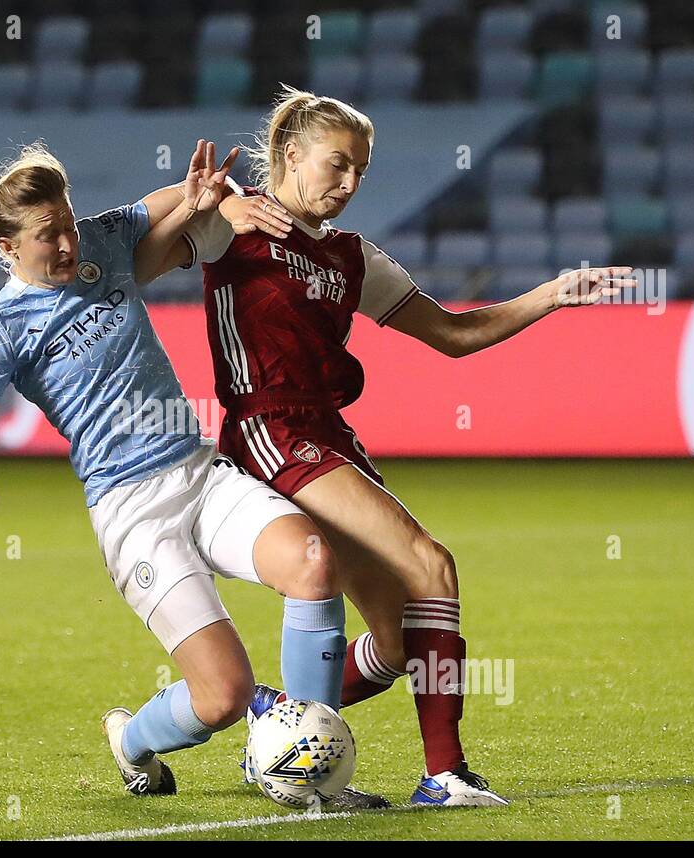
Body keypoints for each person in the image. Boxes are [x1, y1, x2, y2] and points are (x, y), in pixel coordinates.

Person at [169, 87, 635, 806]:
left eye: (361, 170)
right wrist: (220, 199)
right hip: (270, 429)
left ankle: (277, 728)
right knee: (431, 563)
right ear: (291, 155)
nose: (350, 183)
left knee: (393, 643)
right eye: (337, 164)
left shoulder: (355, 258)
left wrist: (551, 294)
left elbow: (453, 335)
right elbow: (157, 228)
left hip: (329, 435)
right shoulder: (236, 224)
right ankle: (444, 773)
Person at [0, 139, 379, 806]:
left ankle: (298, 761)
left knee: (313, 562)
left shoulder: (98, 243)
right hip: (132, 514)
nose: (66, 242)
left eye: (68, 222)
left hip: (199, 475)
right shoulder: (1, 332)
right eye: (47, 235)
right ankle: (132, 741)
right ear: (7, 248)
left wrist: (201, 197)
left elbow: (174, 202)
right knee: (222, 694)